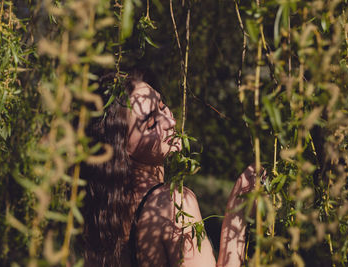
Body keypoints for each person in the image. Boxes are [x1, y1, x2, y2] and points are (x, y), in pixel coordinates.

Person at [81, 71, 258, 267]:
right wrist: (238, 209)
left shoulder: (102, 215)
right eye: (151, 124)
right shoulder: (173, 204)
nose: (170, 122)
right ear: (122, 148)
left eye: (162, 106)